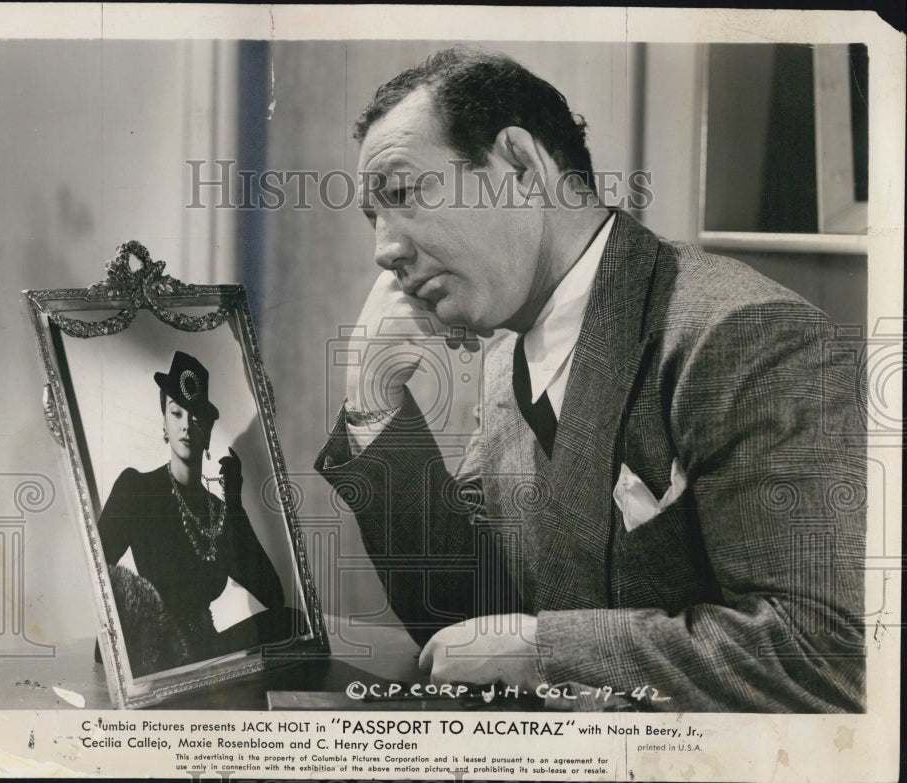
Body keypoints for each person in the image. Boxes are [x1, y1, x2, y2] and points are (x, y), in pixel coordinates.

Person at [314, 47, 866, 712]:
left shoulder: (745, 333)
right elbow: (465, 629)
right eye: (374, 216)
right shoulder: (505, 361)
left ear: (519, 166)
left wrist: (549, 649)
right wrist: (373, 406)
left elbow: (826, 657)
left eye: (402, 195)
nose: (383, 248)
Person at [97, 350, 290, 676]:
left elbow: (273, 597)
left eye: (196, 417)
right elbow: (97, 577)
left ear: (209, 432)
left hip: (206, 652)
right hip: (157, 653)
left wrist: (235, 504)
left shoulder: (217, 511)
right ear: (164, 422)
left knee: (291, 621)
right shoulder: (137, 488)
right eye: (176, 413)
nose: (186, 425)